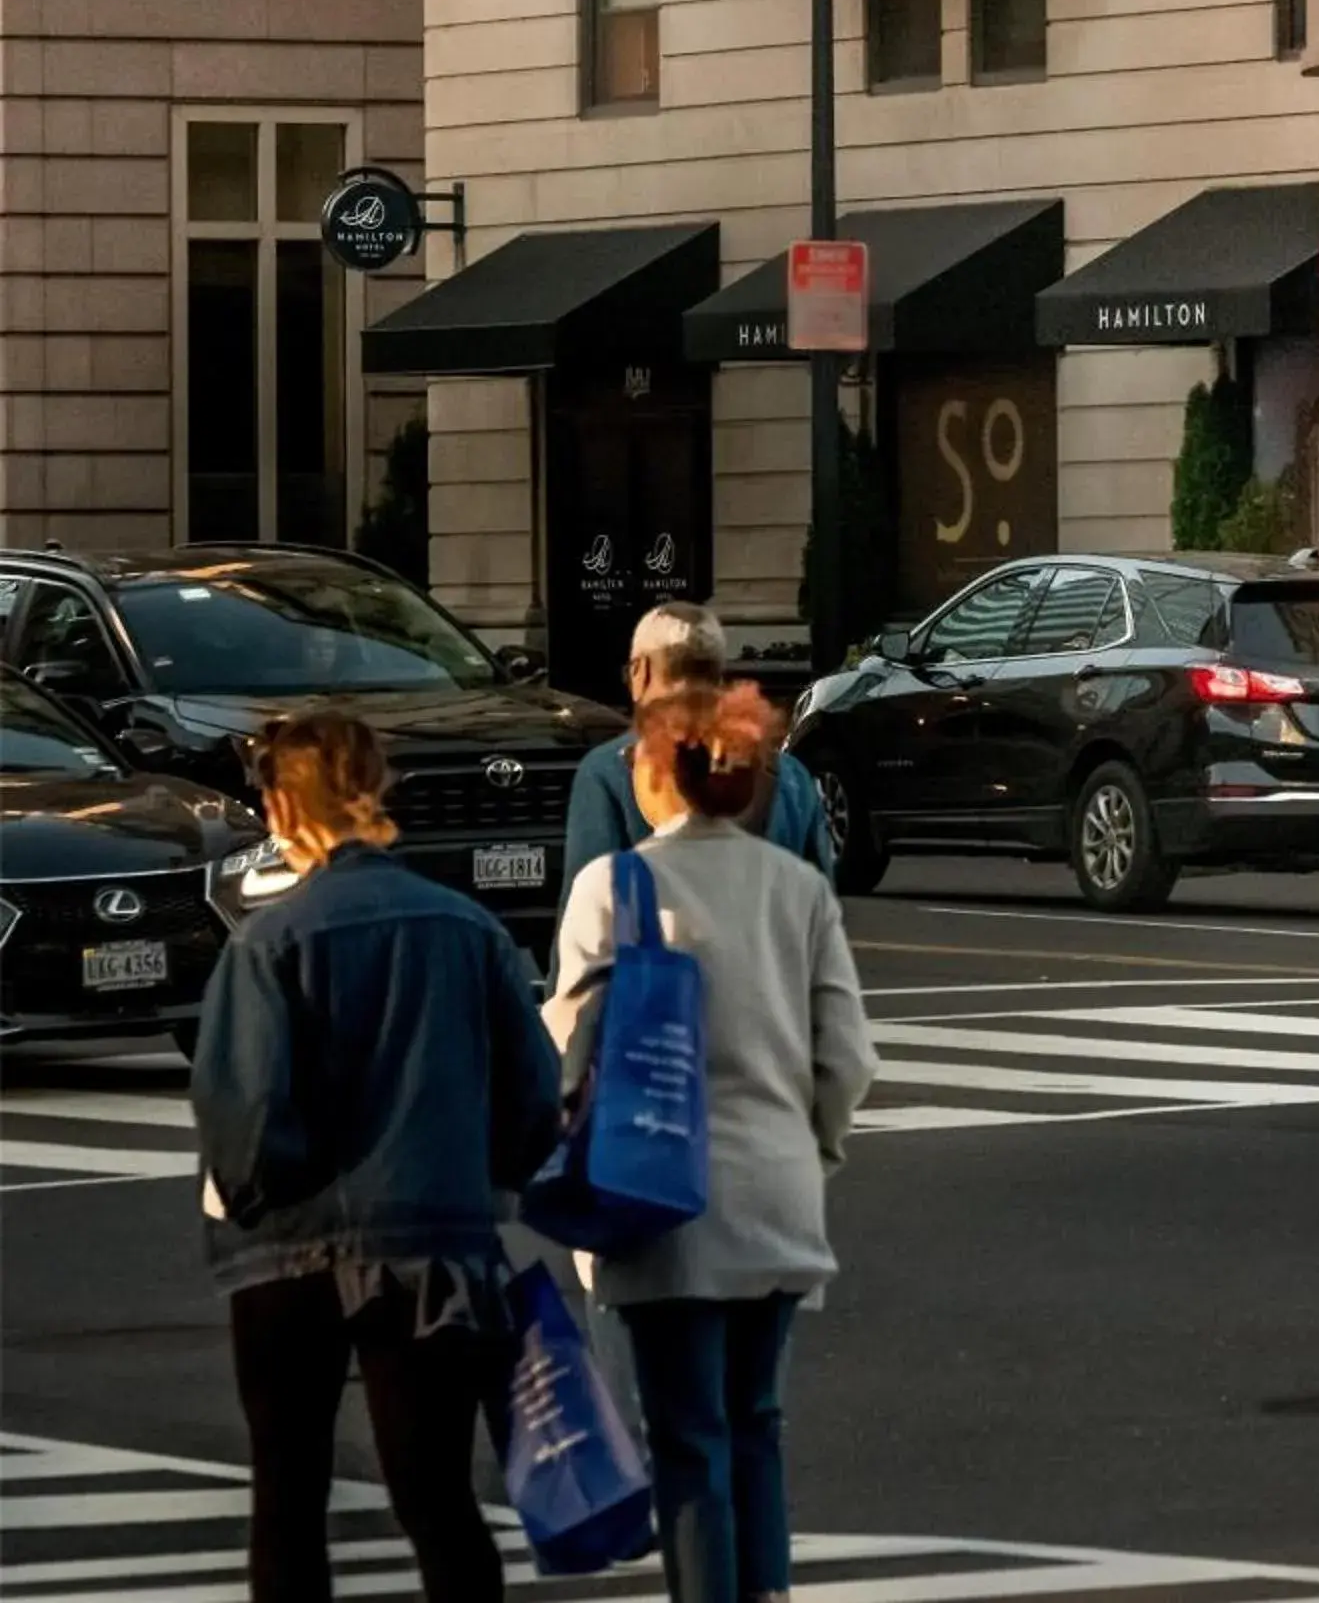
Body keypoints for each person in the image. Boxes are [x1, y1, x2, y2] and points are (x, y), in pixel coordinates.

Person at [192, 710, 563, 1603]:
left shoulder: (270, 943)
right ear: (377, 790)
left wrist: (257, 1192)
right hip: (436, 1238)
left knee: (288, 1494)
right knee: (437, 1498)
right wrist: (484, 1181)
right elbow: (533, 1099)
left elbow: (242, 1116)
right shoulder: (468, 930)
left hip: (289, 1251)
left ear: (283, 808)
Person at [547, 681, 876, 1603]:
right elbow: (846, 1056)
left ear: (655, 772)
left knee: (687, 1436)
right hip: (778, 1188)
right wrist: (815, 1148)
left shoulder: (613, 888)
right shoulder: (799, 886)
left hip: (660, 1193)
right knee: (755, 1423)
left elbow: (571, 1042)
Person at [564, 602, 834, 896]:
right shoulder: (791, 777)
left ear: (640, 672)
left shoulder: (606, 771)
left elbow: (585, 907)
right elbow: (821, 903)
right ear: (718, 676)